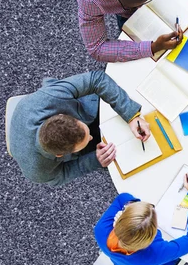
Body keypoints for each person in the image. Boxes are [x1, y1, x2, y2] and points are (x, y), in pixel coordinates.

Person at [9, 71, 150, 187]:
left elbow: (96, 79)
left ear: (61, 115)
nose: (91, 138)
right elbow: (60, 176)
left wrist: (132, 115)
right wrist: (95, 159)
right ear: (60, 156)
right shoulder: (37, 171)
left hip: (85, 110)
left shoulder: (50, 97)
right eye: (86, 140)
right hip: (37, 148)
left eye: (86, 134)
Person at [94, 173, 188, 265]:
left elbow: (122, 198)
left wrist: (128, 206)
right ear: (154, 235)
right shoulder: (156, 252)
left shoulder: (101, 230)